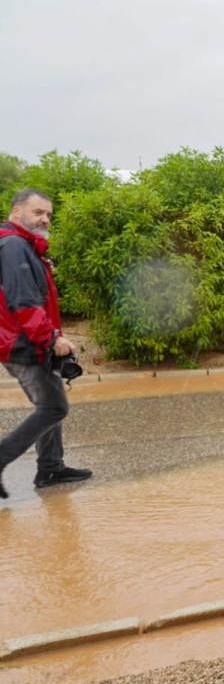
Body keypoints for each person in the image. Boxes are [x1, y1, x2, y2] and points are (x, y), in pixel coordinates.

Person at [0, 188, 92, 498]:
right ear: (17, 212)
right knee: (54, 407)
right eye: (38, 212)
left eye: (48, 215)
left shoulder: (25, 246)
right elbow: (23, 300)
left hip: (27, 342)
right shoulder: (13, 246)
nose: (44, 219)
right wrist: (50, 337)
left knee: (49, 403)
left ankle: (51, 467)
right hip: (24, 345)